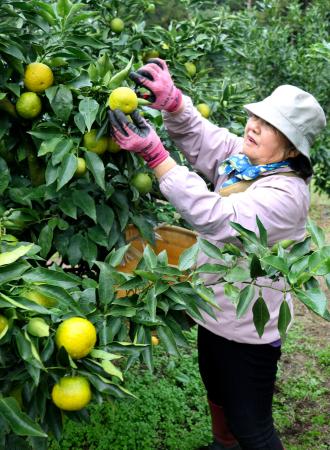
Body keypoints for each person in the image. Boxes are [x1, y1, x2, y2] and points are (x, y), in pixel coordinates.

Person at [108, 59, 326, 450]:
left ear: (292, 147)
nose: (254, 126)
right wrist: (175, 104)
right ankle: (222, 446)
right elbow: (206, 138)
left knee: (252, 425)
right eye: (256, 117)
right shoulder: (248, 162)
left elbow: (218, 217)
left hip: (248, 329)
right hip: (213, 307)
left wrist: (158, 159)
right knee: (217, 395)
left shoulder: (285, 194)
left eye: (270, 126)